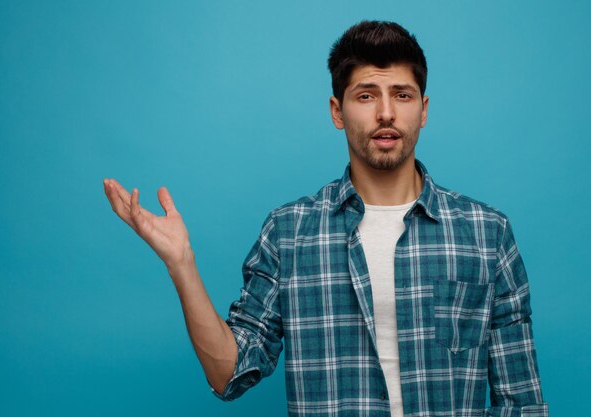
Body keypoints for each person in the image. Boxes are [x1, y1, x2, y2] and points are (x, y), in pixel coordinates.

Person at [103, 20, 548, 417]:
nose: (386, 112)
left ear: (424, 109)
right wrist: (181, 263)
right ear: (337, 111)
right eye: (367, 95)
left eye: (402, 95)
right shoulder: (289, 233)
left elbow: (522, 402)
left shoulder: (486, 234)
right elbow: (229, 374)